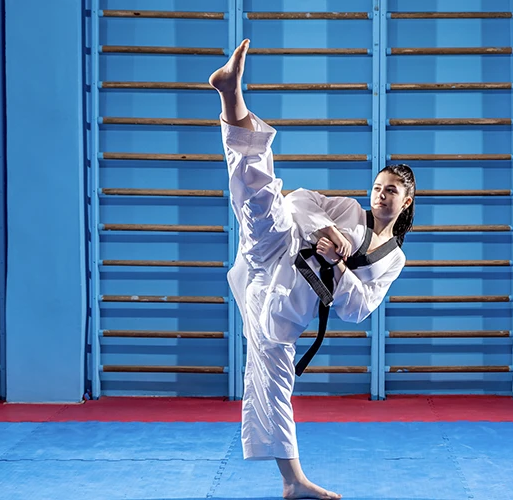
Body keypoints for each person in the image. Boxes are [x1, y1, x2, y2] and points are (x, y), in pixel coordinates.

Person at [209, 39, 416, 500]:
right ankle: (231, 95)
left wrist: (337, 264)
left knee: (274, 382)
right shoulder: (346, 209)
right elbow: (299, 199)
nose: (380, 195)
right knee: (261, 196)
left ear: (406, 202)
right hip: (275, 249)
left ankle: (292, 481)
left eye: (391, 191)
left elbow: (359, 309)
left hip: (283, 301)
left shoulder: (394, 258)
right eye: (378, 187)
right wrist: (328, 231)